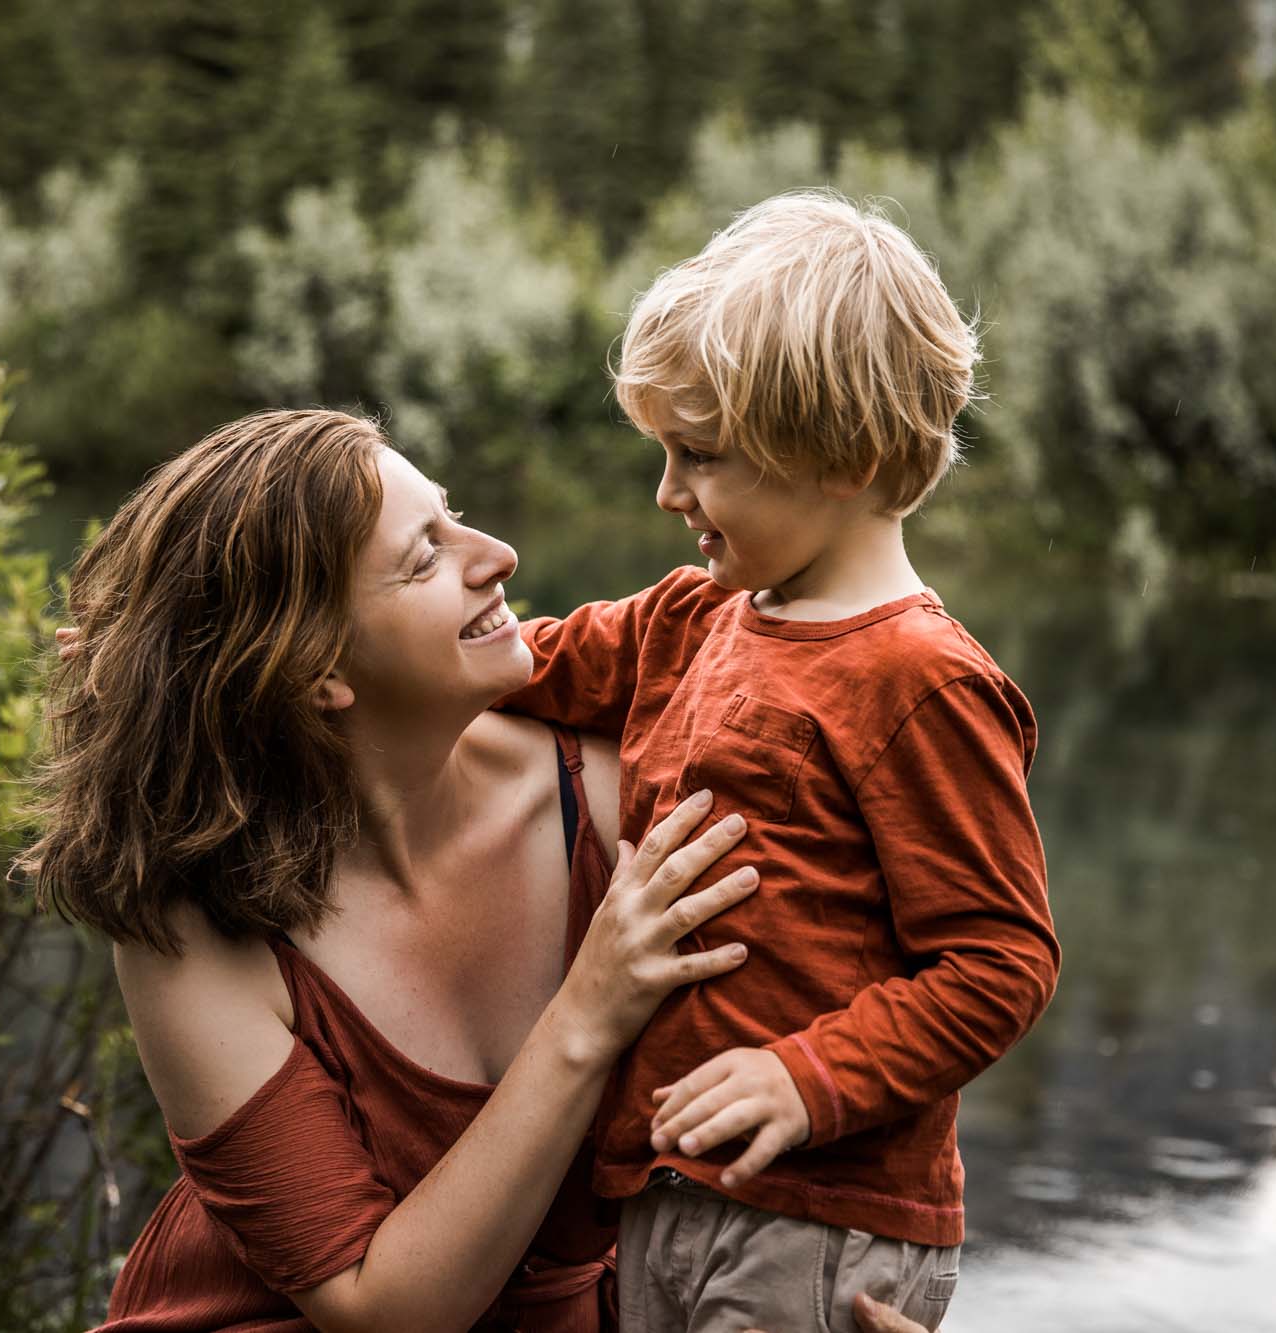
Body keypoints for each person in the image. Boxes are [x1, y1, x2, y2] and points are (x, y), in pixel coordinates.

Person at [25, 408, 937, 1332]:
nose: (498, 555)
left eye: (452, 515)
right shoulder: (192, 926)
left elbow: (898, 995)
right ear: (314, 669)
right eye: (425, 556)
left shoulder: (623, 792)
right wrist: (589, 1009)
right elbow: (379, 1311)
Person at [497, 190, 1060, 1332]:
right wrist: (318, 642)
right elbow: (518, 664)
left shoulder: (920, 679)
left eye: (698, 456)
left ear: (842, 456)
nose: (667, 492)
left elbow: (999, 963)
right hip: (670, 1191)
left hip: (818, 1217)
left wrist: (807, 1079)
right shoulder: (692, 615)